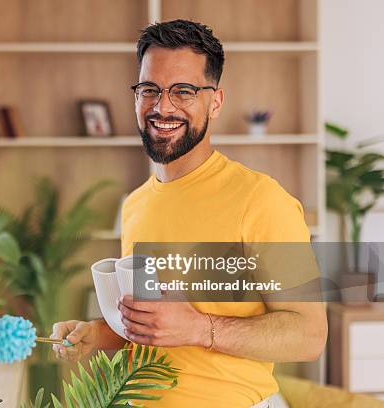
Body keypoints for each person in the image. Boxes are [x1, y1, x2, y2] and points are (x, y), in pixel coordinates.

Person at [51, 19, 327, 408]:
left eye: (183, 91)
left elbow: (309, 336)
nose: (162, 106)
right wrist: (98, 334)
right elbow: (155, 327)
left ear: (215, 101)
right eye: (150, 89)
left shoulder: (262, 199)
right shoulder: (135, 205)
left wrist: (200, 328)